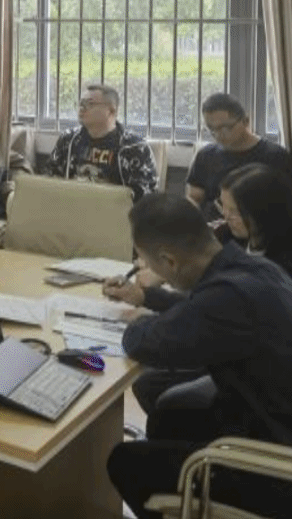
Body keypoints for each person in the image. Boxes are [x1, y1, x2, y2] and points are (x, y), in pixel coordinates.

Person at [105, 194, 292, 519]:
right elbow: (203, 307)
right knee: (167, 416)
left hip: (276, 467)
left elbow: (146, 343)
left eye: (147, 262)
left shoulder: (226, 300)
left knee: (125, 462)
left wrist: (137, 324)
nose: (147, 269)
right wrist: (147, 297)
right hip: (271, 413)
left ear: (169, 261)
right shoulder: (252, 269)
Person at [186, 93, 292, 222]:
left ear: (246, 121)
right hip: (212, 229)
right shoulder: (205, 155)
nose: (218, 135)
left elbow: (284, 207)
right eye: (211, 129)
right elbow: (194, 199)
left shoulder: (275, 157)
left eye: (225, 128)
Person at [44, 84, 157, 202]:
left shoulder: (134, 147)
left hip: (114, 209)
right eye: (81, 103)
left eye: (90, 104)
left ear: (111, 111)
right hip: (72, 206)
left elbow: (146, 197)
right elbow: (48, 180)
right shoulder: (68, 140)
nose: (82, 108)